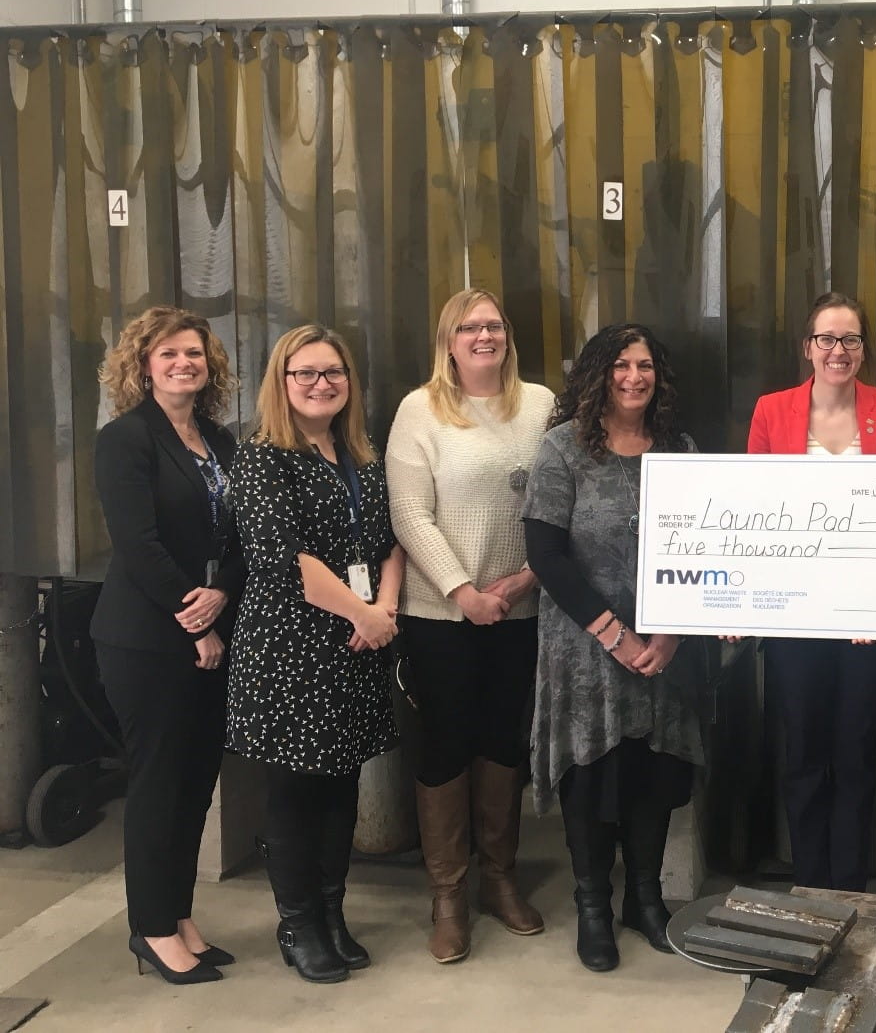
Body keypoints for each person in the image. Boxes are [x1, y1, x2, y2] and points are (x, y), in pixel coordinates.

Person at [521, 323, 704, 972]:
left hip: (663, 649)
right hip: (584, 649)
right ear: (598, 373)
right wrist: (612, 633)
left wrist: (670, 632)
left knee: (652, 774)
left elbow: (699, 548)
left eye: (645, 364)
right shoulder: (561, 449)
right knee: (593, 777)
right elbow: (544, 553)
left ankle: (645, 899)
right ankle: (594, 904)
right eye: (621, 364)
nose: (634, 376)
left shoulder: (680, 450)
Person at [228, 324, 404, 983]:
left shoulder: (359, 454)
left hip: (357, 643)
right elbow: (285, 557)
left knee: (342, 785)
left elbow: (391, 541)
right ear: (282, 381)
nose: (321, 383)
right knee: (294, 791)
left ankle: (333, 912)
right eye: (305, 373)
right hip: (289, 646)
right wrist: (363, 612)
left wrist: (383, 611)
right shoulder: (263, 457)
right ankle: (297, 922)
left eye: (332, 372)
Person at [386, 288, 554, 963]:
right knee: (446, 743)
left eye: (493, 325)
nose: (483, 335)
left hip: (520, 604)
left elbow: (561, 500)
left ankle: (499, 879)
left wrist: (527, 579)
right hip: (439, 613)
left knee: (503, 741)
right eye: (468, 326)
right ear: (448, 340)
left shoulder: (541, 405)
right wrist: (462, 590)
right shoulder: (419, 409)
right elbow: (408, 513)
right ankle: (448, 895)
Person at [746, 290, 876, 892]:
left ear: (863, 349)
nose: (838, 350)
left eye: (850, 339)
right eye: (827, 339)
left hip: (867, 620)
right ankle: (811, 884)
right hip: (795, 618)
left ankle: (850, 889)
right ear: (808, 348)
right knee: (802, 754)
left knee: (855, 752)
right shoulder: (772, 411)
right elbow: (754, 515)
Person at [91, 306, 245, 985]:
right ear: (142, 366)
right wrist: (200, 618)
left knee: (194, 786)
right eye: (168, 354)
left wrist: (225, 596)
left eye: (194, 352)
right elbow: (139, 545)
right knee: (158, 785)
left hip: (209, 628)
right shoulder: (125, 440)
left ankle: (179, 915)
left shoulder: (220, 440)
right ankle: (151, 928)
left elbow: (241, 535)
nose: (184, 362)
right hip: (146, 638)